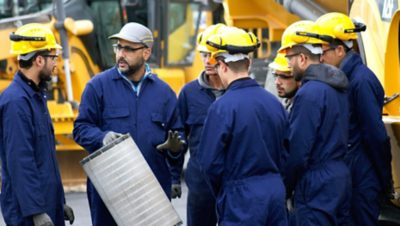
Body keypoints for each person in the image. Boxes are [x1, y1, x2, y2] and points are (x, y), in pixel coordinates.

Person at [73, 22, 184, 226]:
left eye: (129, 49)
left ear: (146, 53)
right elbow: (80, 129)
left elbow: (177, 136)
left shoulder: (164, 93)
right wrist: (102, 137)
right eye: (119, 47)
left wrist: (175, 153)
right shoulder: (98, 87)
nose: (121, 54)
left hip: (152, 192)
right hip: (110, 192)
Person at [197, 26, 289, 225]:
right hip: (274, 192)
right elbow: (286, 153)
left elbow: (209, 164)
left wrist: (227, 190)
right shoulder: (274, 103)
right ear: (249, 63)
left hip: (241, 197)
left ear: (222, 66)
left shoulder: (221, 108)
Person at [315, 12, 393, 226]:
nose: (321, 58)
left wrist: (385, 181)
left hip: (362, 178)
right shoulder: (344, 79)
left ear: (340, 50)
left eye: (324, 52)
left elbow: (376, 136)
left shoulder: (361, 81)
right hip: (352, 176)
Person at [0, 23, 74, 226]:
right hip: (27, 214)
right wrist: (36, 212)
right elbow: (20, 162)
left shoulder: (35, 97)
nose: (56, 64)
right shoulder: (16, 102)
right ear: (39, 60)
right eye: (53, 58)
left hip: (47, 205)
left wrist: (60, 202)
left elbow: (46, 159)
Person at [278, 20, 351, 225]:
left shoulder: (309, 93)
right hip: (339, 178)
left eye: (289, 58)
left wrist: (284, 187)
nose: (288, 65)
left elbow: (298, 151)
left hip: (316, 184)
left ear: (302, 58)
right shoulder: (337, 87)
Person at [177, 23, 225, 226]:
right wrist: (173, 177)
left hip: (232, 181)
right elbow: (179, 136)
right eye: (204, 55)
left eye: (213, 55)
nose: (208, 61)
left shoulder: (238, 92)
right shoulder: (189, 93)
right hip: (200, 182)